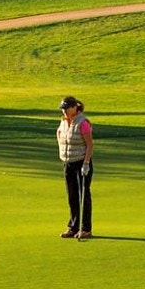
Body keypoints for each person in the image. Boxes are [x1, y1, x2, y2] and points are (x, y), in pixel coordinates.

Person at [57, 96, 93, 240]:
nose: (64, 111)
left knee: (83, 196)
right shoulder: (63, 121)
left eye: (66, 108)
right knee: (72, 196)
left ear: (74, 108)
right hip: (68, 162)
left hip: (81, 162)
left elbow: (90, 144)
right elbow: (59, 134)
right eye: (63, 109)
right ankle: (73, 226)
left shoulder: (82, 123)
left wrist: (86, 163)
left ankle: (85, 229)